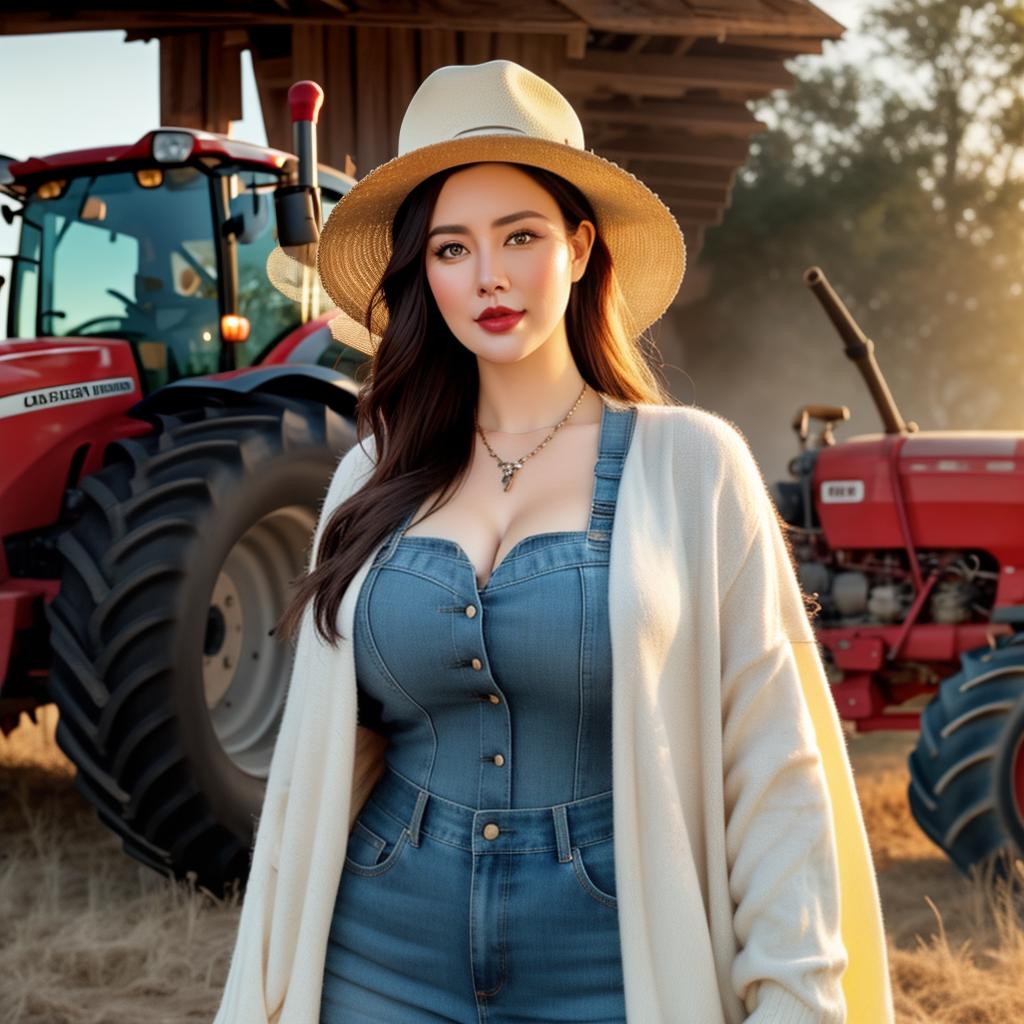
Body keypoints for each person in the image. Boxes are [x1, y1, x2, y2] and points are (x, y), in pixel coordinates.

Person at [213, 60, 893, 1024]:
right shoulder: (370, 477)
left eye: (519, 236)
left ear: (579, 247)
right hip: (377, 950)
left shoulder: (691, 467)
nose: (487, 275)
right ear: (424, 276)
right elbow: (317, 757)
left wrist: (796, 996)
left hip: (612, 960)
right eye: (451, 249)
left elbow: (774, 768)